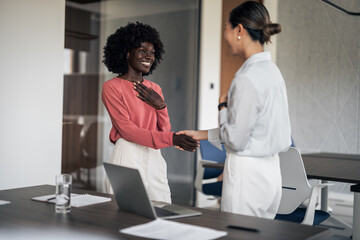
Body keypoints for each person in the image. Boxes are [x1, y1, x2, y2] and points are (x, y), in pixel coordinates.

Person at [179, 2, 291, 219]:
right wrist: (201, 135)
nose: (225, 35)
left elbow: (236, 141)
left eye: (226, 28)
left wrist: (222, 107)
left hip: (246, 176)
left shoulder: (246, 78)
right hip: (271, 175)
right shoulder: (273, 72)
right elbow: (248, 131)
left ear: (239, 30)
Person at [102, 22, 198, 203]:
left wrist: (160, 105)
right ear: (127, 52)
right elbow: (127, 130)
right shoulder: (111, 87)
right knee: (123, 215)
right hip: (127, 155)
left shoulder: (155, 89)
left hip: (154, 156)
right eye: (142, 50)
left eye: (152, 52)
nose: (148, 56)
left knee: (163, 208)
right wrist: (173, 139)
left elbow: (163, 130)